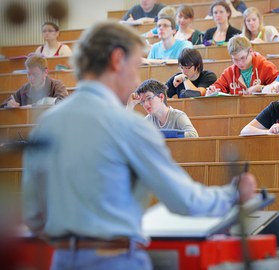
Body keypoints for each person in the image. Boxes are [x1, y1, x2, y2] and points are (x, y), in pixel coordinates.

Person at [22, 22, 257, 270]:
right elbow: (185, 200)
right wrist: (233, 194)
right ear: (117, 60)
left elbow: (34, 215)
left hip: (61, 261)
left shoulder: (45, 124)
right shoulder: (128, 126)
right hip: (115, 260)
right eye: (135, 67)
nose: (136, 80)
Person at [206, 35, 279, 95]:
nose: (240, 63)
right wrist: (211, 91)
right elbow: (217, 87)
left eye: (243, 58)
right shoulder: (229, 72)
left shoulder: (266, 67)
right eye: (235, 59)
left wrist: (260, 88)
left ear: (250, 51)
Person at [127, 79, 199, 137]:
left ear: (161, 97)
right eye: (142, 101)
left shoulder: (178, 115)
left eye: (149, 98)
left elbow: (193, 135)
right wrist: (130, 106)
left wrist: (164, 134)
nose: (145, 104)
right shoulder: (149, 119)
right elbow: (130, 135)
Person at [0, 54, 68, 108]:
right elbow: (3, 105)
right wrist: (8, 104)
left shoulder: (57, 86)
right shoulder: (25, 89)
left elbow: (63, 103)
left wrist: (34, 106)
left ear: (45, 72)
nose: (31, 78)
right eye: (29, 74)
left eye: (35, 74)